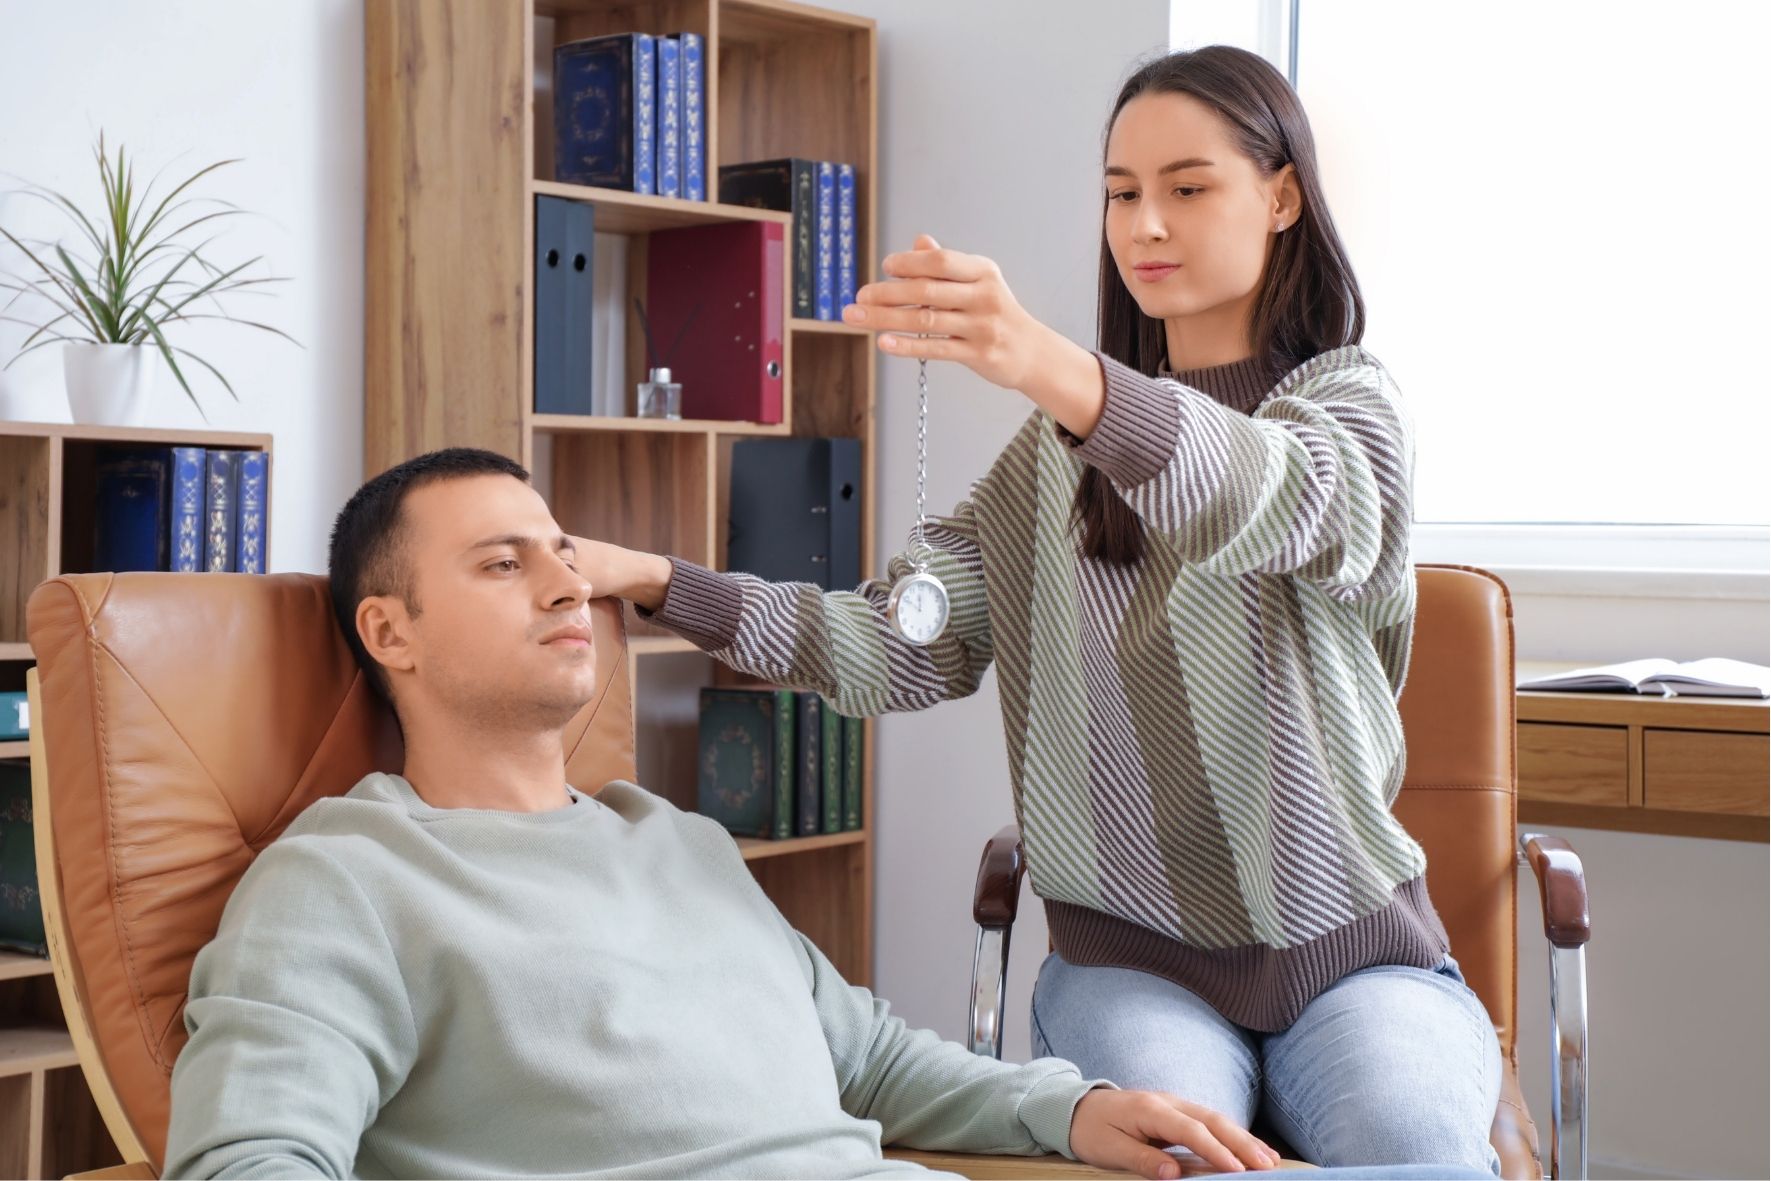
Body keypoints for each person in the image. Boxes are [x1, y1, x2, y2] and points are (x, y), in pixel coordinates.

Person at [575, 45, 1502, 1175]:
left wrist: (1046, 365)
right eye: (1120, 193)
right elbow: (889, 649)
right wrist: (664, 580)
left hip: (1353, 956)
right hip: (1135, 965)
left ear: (1283, 196)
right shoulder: (1049, 467)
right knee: (1170, 1154)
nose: (1145, 223)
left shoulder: (1347, 410)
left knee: (1416, 1143)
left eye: (1187, 186)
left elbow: (1268, 496)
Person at [161, 448, 1283, 1181]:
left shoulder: (677, 838)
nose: (568, 587)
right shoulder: (345, 879)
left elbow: (876, 1062)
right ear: (389, 631)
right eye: (504, 564)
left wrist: (1075, 1109)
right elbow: (249, 1159)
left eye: (563, 555)